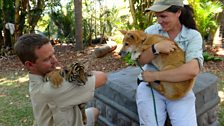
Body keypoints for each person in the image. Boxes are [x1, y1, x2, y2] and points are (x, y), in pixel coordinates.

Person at [14, 33, 107, 126]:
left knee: (94, 112)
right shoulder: (53, 87)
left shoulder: (37, 82)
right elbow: (102, 78)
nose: (55, 61)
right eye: (47, 59)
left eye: (53, 54)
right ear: (30, 65)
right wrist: (78, 72)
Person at [136, 0, 204, 126]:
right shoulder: (151, 31)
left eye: (163, 16)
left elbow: (192, 70)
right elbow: (141, 60)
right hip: (151, 88)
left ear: (178, 12)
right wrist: (155, 48)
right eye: (157, 16)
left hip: (178, 87)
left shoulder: (192, 36)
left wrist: (155, 76)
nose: (159, 21)